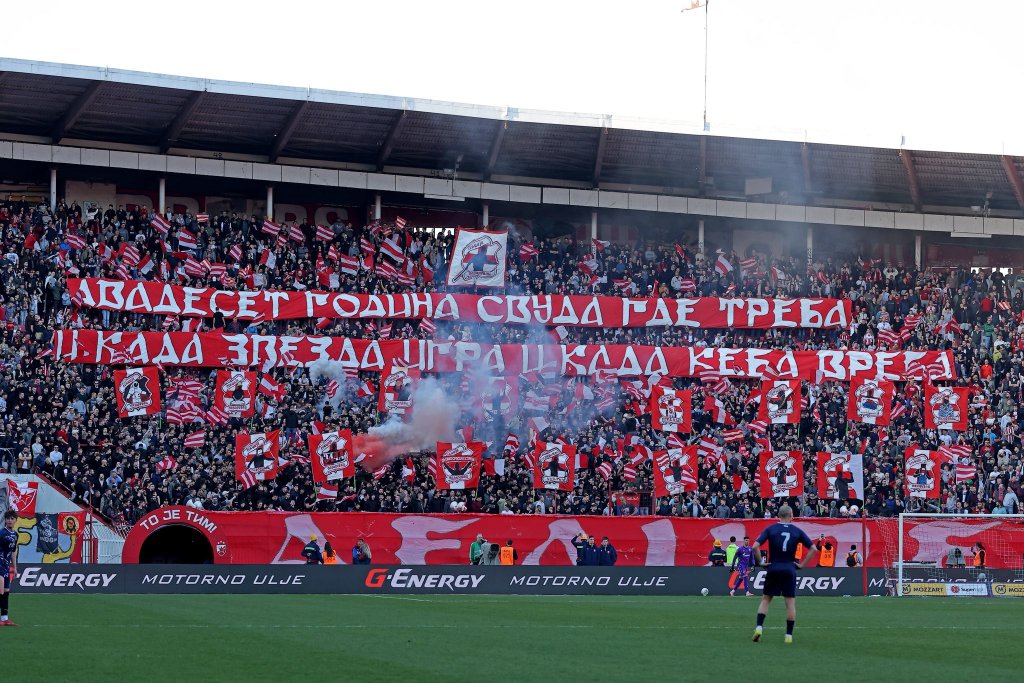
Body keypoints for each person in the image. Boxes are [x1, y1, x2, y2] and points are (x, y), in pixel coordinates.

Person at [751, 505, 817, 644]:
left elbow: (755, 546)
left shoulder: (771, 529)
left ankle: (759, 628)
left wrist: (761, 563)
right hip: (789, 568)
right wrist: (802, 565)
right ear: (791, 515)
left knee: (766, 599)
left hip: (774, 567)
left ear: (778, 515)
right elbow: (813, 548)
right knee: (790, 603)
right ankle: (788, 636)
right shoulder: (797, 531)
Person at [1, 510, 18, 626]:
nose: (10, 520)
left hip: (6, 565)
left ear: (16, 520)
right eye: (8, 518)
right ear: (5, 520)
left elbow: (13, 551)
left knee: (6, 591)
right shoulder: (2, 533)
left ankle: (4, 618)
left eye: (12, 518)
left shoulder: (15, 535)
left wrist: (15, 567)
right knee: (1, 590)